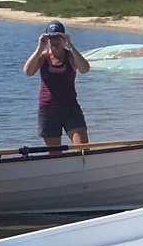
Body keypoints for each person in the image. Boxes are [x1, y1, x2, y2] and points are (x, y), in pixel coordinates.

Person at [22, 19, 91, 151]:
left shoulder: (70, 56)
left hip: (71, 108)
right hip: (48, 110)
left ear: (63, 38)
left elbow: (85, 69)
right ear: (47, 39)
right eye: (51, 37)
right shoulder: (43, 57)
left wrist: (70, 46)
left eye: (58, 37)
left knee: (83, 149)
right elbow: (28, 72)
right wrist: (39, 48)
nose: (54, 41)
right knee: (55, 154)